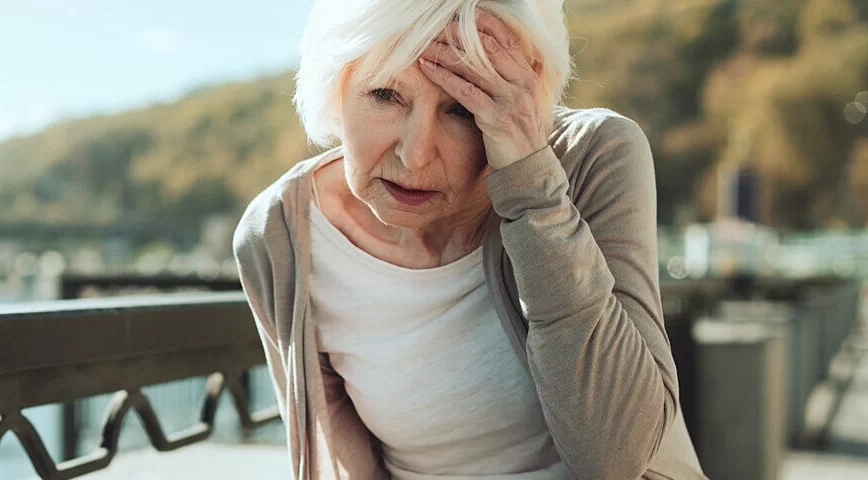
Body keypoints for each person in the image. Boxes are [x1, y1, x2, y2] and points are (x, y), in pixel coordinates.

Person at [232, 0, 706, 478]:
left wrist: (532, 190)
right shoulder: (281, 234)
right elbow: (341, 463)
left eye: (462, 108)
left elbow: (618, 457)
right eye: (384, 95)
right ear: (334, 88)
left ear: (525, 99)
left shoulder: (594, 158)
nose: (416, 156)